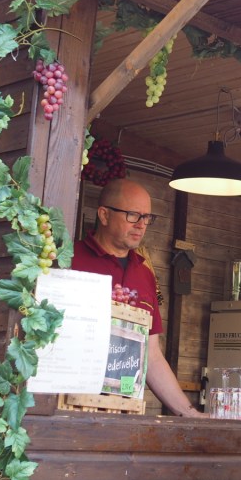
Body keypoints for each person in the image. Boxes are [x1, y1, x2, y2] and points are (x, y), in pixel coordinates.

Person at [71, 178, 205, 418]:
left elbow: (151, 355)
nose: (141, 225)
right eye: (133, 215)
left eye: (147, 217)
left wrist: (190, 414)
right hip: (70, 407)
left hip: (124, 412)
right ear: (104, 215)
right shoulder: (70, 259)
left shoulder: (144, 274)